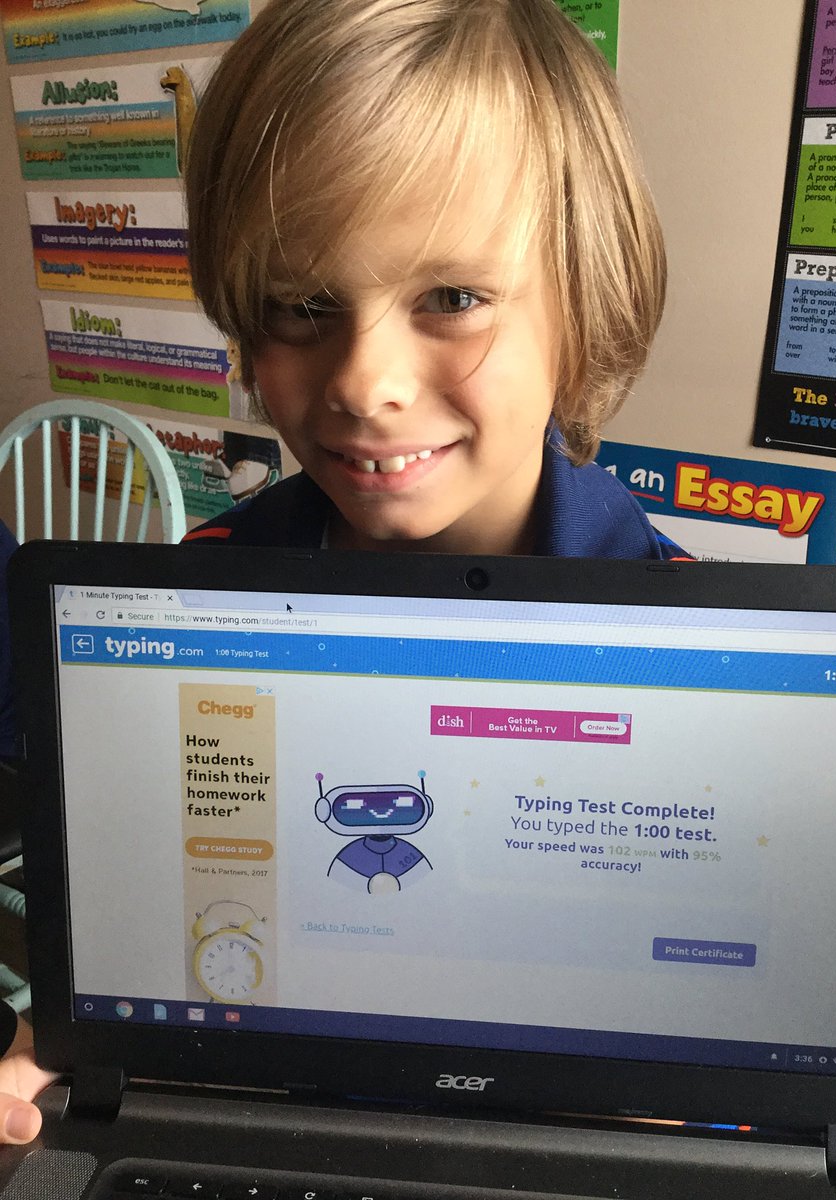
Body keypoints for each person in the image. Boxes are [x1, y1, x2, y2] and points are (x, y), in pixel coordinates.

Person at [0, 0, 689, 1142]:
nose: (365, 384)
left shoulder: (695, 636)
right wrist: (74, 1040)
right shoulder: (195, 598)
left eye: (453, 298)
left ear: (588, 298)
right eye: (302, 307)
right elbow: (159, 899)